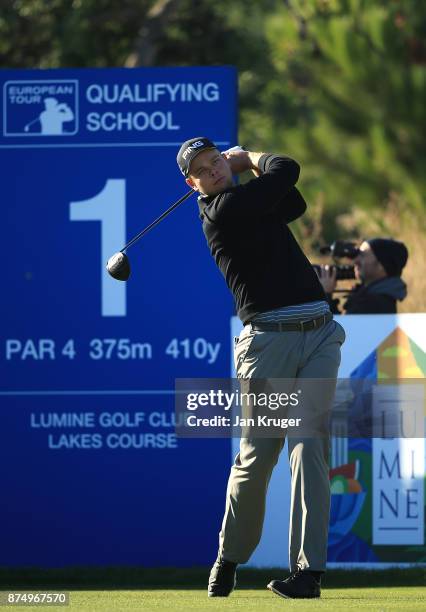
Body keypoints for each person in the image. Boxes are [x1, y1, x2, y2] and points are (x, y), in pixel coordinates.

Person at [176, 137, 346, 600]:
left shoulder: (247, 200)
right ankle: (229, 558)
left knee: (310, 447)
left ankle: (308, 574)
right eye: (204, 170)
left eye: (216, 161)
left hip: (319, 334)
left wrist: (248, 171)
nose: (213, 170)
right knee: (260, 456)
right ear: (193, 185)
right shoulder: (221, 211)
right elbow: (286, 168)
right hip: (267, 345)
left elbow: (291, 200)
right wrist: (248, 156)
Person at [317, 238, 408, 314]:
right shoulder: (380, 297)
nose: (355, 260)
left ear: (382, 266)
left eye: (362, 255)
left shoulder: (374, 304)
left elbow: (338, 333)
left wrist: (325, 295)